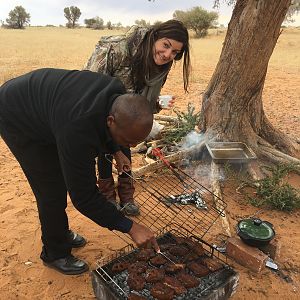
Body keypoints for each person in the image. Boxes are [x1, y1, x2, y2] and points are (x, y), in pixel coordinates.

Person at [0, 68, 159, 275]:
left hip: (52, 112)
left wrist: (117, 149)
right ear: (111, 121)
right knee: (51, 189)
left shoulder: (117, 94)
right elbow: (84, 197)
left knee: (60, 180)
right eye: (128, 141)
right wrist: (130, 227)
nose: (131, 145)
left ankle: (59, 233)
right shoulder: (78, 127)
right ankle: (54, 252)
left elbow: (103, 126)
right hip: (17, 116)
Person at [84, 19, 191, 216]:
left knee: (127, 140)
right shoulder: (116, 50)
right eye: (165, 45)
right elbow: (88, 91)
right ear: (154, 37)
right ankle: (107, 197)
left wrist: (156, 104)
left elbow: (139, 105)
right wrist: (115, 149)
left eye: (175, 52)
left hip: (125, 115)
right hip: (98, 109)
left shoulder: (160, 67)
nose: (168, 55)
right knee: (104, 150)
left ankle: (126, 196)